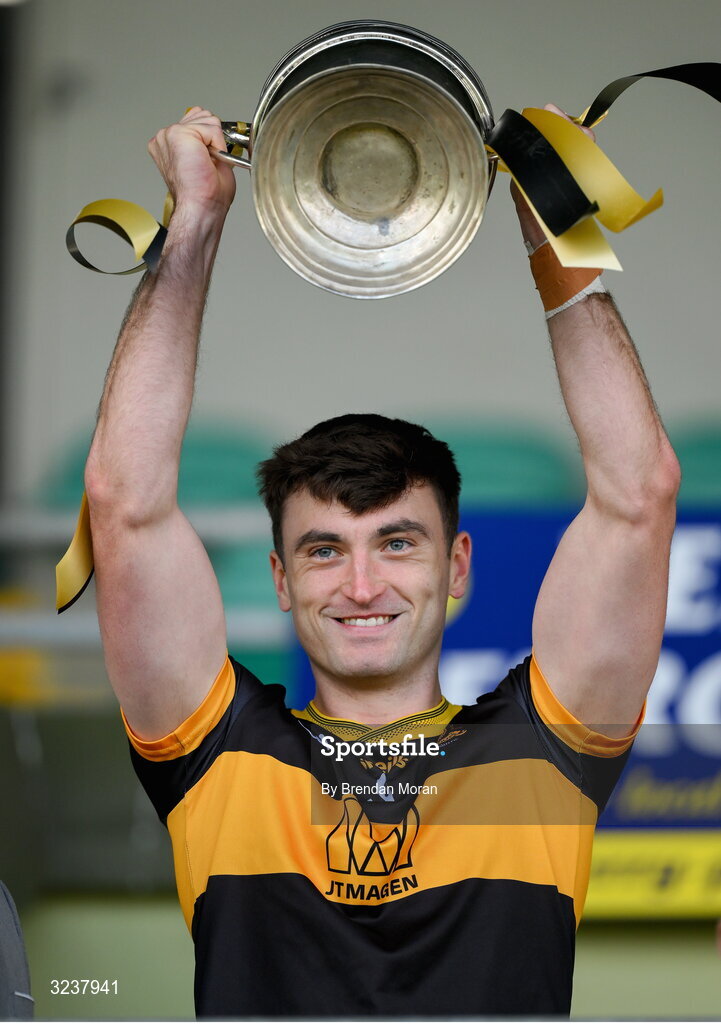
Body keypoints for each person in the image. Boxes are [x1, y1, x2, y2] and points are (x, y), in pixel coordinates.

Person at [83, 107, 680, 1017]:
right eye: (324, 551)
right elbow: (124, 506)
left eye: (396, 542)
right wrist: (195, 222)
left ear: (457, 566)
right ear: (280, 581)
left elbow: (638, 498)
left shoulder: (538, 758)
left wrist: (554, 225)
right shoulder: (218, 756)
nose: (361, 586)